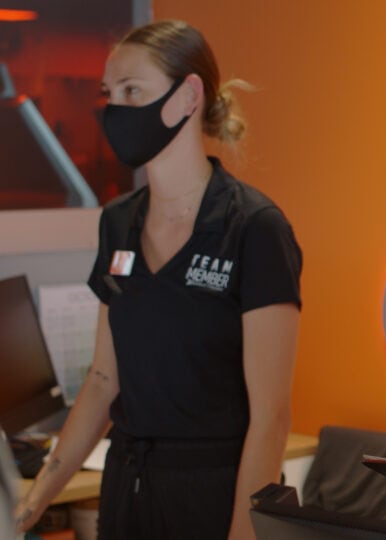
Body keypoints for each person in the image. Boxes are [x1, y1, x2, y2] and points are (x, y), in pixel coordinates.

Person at [13, 20, 302, 540]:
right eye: (110, 93)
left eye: (132, 91)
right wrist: (30, 505)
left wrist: (243, 533)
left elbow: (272, 418)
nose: (114, 109)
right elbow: (103, 381)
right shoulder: (117, 221)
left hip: (213, 493)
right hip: (128, 487)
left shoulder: (253, 228)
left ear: (188, 96)